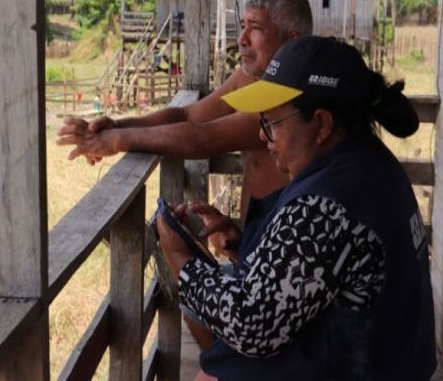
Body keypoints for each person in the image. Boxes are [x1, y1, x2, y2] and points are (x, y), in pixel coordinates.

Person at [156, 36, 437, 380]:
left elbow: (250, 326)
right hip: (392, 360)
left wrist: (182, 261)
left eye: (271, 122)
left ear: (321, 124)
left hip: (365, 367)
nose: (263, 137)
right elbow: (315, 268)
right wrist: (242, 245)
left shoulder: (328, 203)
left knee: (215, 369)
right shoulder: (371, 163)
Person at [57, 0, 313, 229]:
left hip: (282, 247)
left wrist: (116, 141)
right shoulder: (246, 78)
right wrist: (116, 125)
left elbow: (201, 138)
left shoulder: (290, 99)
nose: (243, 38)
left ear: (292, 40)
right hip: (253, 240)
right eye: (243, 25)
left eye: (256, 28)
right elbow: (188, 115)